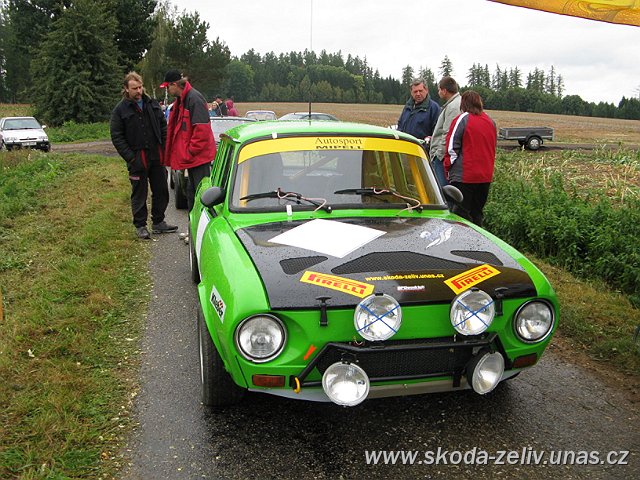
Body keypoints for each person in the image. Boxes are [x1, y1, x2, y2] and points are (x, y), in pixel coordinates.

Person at [110, 71, 178, 239]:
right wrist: (131, 158)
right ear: (126, 89)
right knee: (139, 194)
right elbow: (117, 137)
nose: (138, 91)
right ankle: (140, 226)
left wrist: (165, 147)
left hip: (156, 155)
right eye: (134, 88)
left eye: (140, 87)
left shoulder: (151, 104)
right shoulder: (120, 110)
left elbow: (163, 126)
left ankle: (158, 222)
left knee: (161, 190)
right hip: (137, 157)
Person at [162, 70, 216, 213]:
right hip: (192, 158)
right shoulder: (182, 100)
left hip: (198, 158)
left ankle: (204, 224)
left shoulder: (194, 99)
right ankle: (193, 223)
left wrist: (190, 152)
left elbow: (202, 131)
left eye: (167, 87)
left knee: (202, 195)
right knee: (191, 192)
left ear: (174, 84)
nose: (167, 90)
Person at [443, 90, 497, 227]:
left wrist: (448, 168)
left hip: (464, 176)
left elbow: (451, 147)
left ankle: (460, 239)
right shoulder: (490, 122)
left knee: (460, 214)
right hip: (485, 176)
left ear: (463, 104)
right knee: (477, 213)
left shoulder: (462, 119)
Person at [429, 76, 461, 190]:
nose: (438, 92)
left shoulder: (453, 107)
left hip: (442, 158)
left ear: (444, 91)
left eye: (439, 90)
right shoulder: (454, 104)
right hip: (444, 156)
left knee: (443, 191)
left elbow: (448, 133)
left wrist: (439, 155)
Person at [397, 77, 441, 142]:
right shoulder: (407, 107)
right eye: (415, 91)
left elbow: (437, 133)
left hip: (421, 147)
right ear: (411, 92)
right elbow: (400, 125)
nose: (418, 94)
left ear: (426, 90)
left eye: (420, 91)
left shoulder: (434, 108)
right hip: (405, 145)